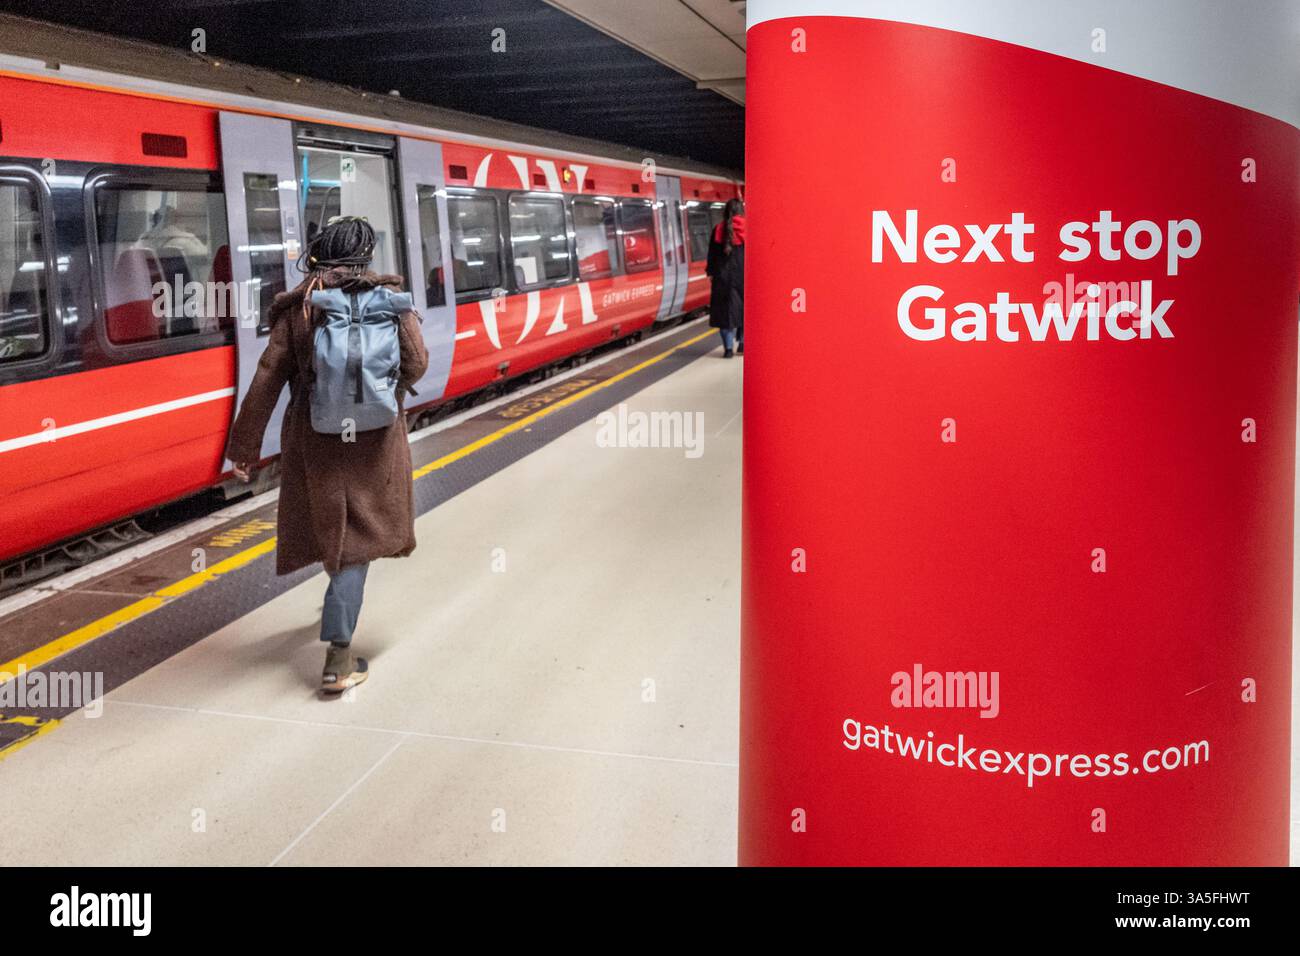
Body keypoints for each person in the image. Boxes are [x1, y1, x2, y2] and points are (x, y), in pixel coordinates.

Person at [226, 216, 428, 695]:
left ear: (319, 254)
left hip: (315, 439)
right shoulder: (389, 302)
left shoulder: (299, 309)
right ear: (366, 256)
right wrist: (381, 394)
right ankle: (338, 657)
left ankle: (339, 597)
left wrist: (244, 449)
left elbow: (267, 378)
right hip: (375, 443)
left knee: (335, 527)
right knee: (356, 539)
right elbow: (417, 362)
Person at [706, 198, 746, 358]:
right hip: (744, 277)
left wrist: (711, 273)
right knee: (745, 311)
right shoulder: (748, 228)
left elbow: (712, 256)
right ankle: (742, 344)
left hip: (722, 279)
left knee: (724, 314)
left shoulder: (718, 229)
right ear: (741, 211)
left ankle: (728, 349)